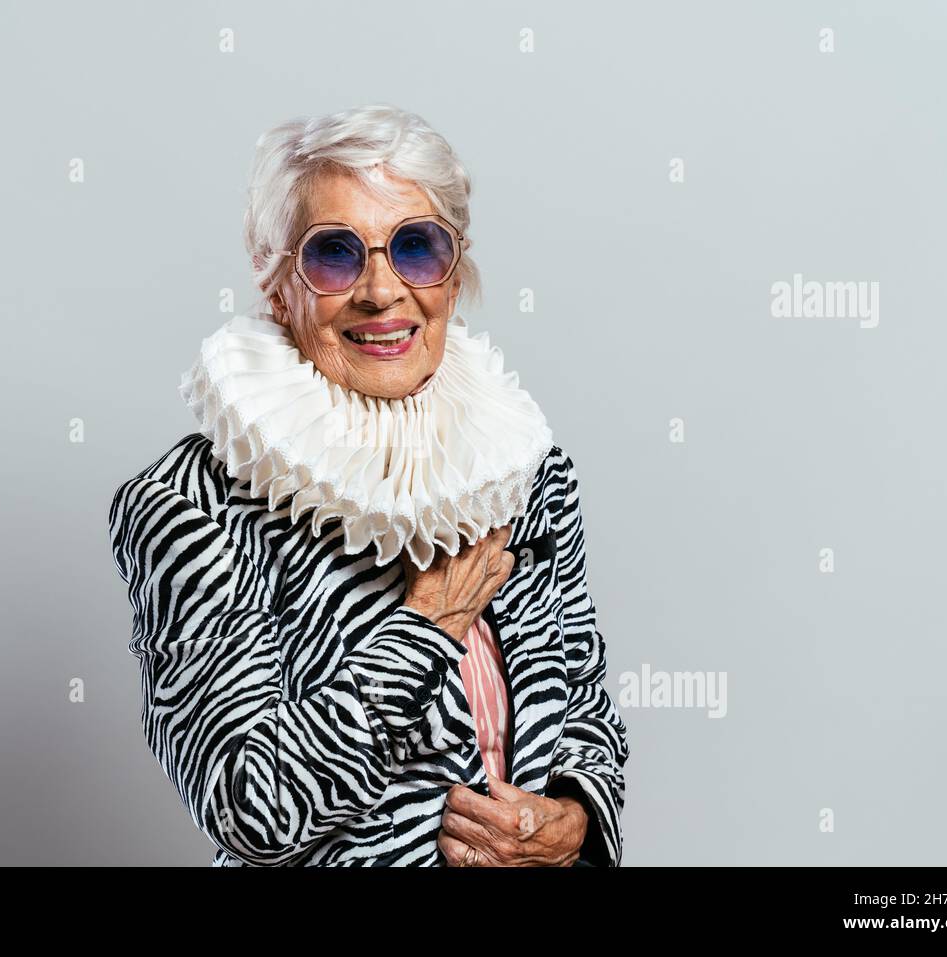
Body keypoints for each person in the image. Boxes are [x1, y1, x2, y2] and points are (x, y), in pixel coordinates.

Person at [108, 103, 629, 866]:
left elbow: (583, 702)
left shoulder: (525, 470)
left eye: (416, 247)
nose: (382, 291)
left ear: (455, 271)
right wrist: (422, 630)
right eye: (335, 255)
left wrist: (575, 818)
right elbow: (249, 807)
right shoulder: (192, 504)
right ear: (273, 277)